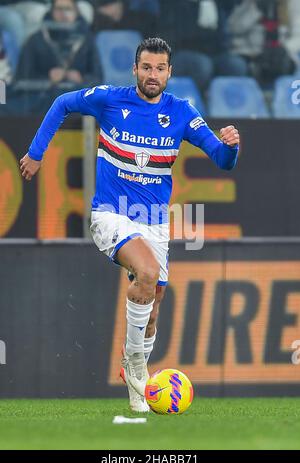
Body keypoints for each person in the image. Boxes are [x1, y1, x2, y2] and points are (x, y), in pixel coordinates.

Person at [20, 37, 240, 412]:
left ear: (170, 72)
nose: (152, 75)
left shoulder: (183, 112)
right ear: (135, 69)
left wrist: (231, 145)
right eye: (146, 67)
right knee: (148, 271)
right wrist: (36, 153)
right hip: (111, 213)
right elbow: (61, 104)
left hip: (155, 224)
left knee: (153, 310)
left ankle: (137, 384)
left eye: (159, 68)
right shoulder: (109, 99)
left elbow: (221, 160)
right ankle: (134, 362)